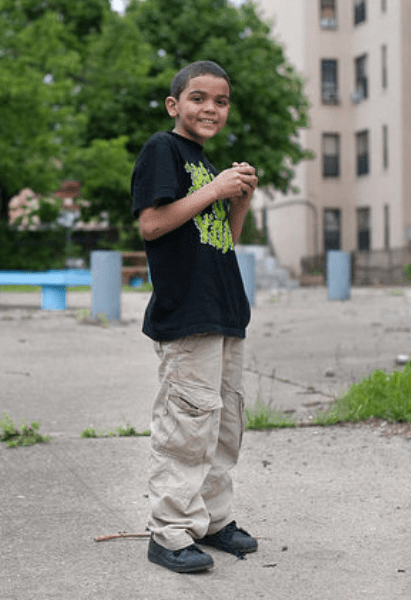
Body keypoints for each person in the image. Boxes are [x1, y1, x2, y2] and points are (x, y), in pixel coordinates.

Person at [130, 60, 259, 574]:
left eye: (221, 101)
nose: (210, 108)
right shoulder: (163, 150)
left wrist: (239, 200)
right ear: (174, 105)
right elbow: (152, 224)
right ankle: (169, 531)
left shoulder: (207, 166)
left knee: (224, 426)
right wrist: (215, 190)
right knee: (188, 426)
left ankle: (211, 519)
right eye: (199, 98)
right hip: (186, 316)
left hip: (225, 312)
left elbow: (220, 240)